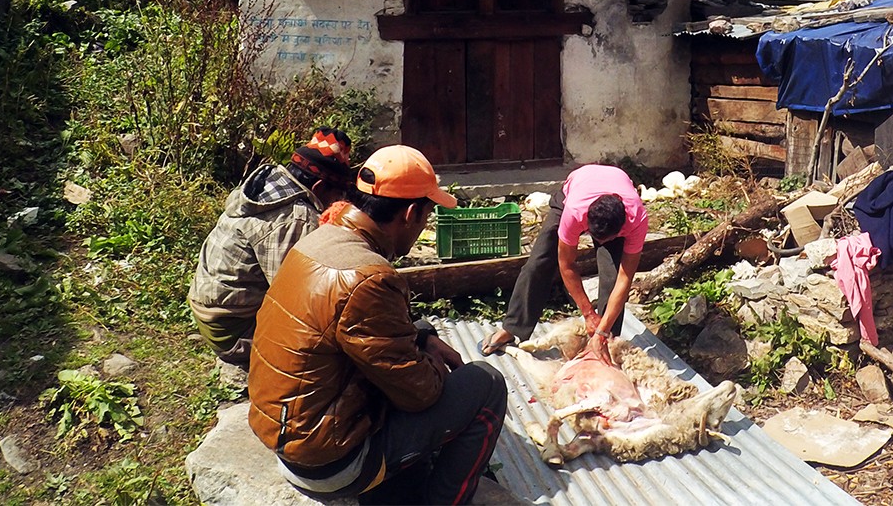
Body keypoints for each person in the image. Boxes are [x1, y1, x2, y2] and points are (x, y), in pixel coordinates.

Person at [248, 145, 507, 505]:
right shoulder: (369, 278)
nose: (422, 228)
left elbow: (349, 329)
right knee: (486, 383)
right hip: (331, 465)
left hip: (288, 439)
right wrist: (428, 363)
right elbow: (421, 394)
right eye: (426, 217)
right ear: (412, 213)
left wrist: (418, 337)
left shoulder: (318, 239)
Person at [189, 127, 353, 364]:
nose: (338, 201)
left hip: (211, 314)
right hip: (234, 331)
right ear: (318, 188)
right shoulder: (295, 218)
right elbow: (294, 300)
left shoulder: (265, 187)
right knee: (338, 350)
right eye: (338, 194)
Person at [479, 163, 648, 365]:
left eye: (606, 239)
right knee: (539, 262)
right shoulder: (574, 211)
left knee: (612, 276)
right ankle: (512, 328)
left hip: (615, 198)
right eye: (596, 238)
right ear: (586, 222)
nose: (599, 244)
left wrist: (601, 330)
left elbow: (625, 277)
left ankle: (605, 342)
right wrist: (587, 313)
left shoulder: (636, 218)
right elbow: (566, 264)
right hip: (575, 189)